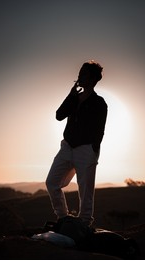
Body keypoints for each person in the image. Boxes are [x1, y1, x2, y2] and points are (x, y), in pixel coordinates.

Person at [46, 60, 107, 226]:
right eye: (80, 72)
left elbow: (99, 129)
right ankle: (63, 218)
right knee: (52, 182)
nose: (80, 75)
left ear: (94, 79)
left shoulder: (99, 102)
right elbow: (59, 115)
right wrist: (71, 96)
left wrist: (93, 150)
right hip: (67, 146)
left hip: (86, 149)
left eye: (84, 73)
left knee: (85, 191)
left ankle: (85, 223)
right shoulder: (74, 98)